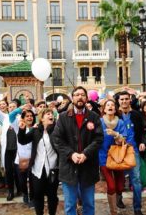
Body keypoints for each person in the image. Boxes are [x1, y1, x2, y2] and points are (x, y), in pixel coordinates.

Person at [52, 86, 103, 215]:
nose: (80, 97)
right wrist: (71, 154)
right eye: (77, 95)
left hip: (88, 166)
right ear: (72, 98)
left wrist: (86, 153)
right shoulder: (63, 117)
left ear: (86, 98)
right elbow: (57, 139)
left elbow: (98, 139)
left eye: (82, 95)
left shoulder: (94, 117)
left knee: (89, 204)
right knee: (69, 205)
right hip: (69, 167)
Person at [18, 108, 58, 215]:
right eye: (48, 114)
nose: (51, 116)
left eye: (52, 114)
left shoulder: (56, 130)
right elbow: (22, 140)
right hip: (37, 169)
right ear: (42, 119)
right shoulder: (36, 131)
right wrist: (21, 130)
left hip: (53, 169)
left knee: (52, 196)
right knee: (38, 195)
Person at [117, 91, 145, 215]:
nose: (124, 101)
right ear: (118, 101)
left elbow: (143, 131)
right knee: (119, 178)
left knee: (136, 179)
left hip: (133, 151)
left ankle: (137, 208)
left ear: (130, 100)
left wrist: (142, 142)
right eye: (121, 99)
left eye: (126, 99)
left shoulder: (137, 115)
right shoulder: (116, 115)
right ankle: (118, 198)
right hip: (119, 151)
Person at [99, 99, 127, 215]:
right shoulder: (99, 122)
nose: (110, 106)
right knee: (111, 186)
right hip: (103, 156)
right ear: (104, 109)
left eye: (112, 105)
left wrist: (115, 134)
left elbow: (124, 140)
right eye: (108, 105)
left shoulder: (120, 122)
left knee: (120, 187)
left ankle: (118, 197)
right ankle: (113, 211)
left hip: (118, 157)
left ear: (115, 109)